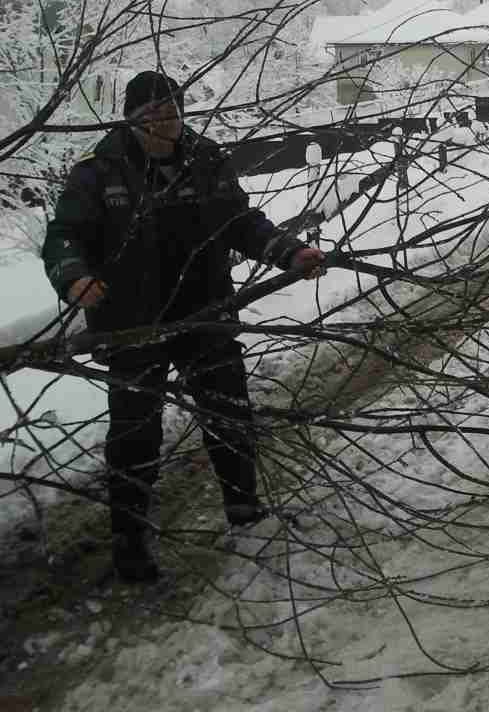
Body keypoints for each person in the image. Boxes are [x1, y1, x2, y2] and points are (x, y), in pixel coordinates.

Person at [41, 70, 326, 581]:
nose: (164, 123)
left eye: (172, 111)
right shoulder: (98, 170)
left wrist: (289, 251)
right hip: (133, 325)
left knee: (229, 413)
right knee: (134, 436)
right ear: (130, 120)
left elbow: (240, 222)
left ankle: (244, 509)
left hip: (205, 313)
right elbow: (64, 235)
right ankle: (129, 543)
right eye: (152, 115)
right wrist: (75, 278)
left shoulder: (206, 158)